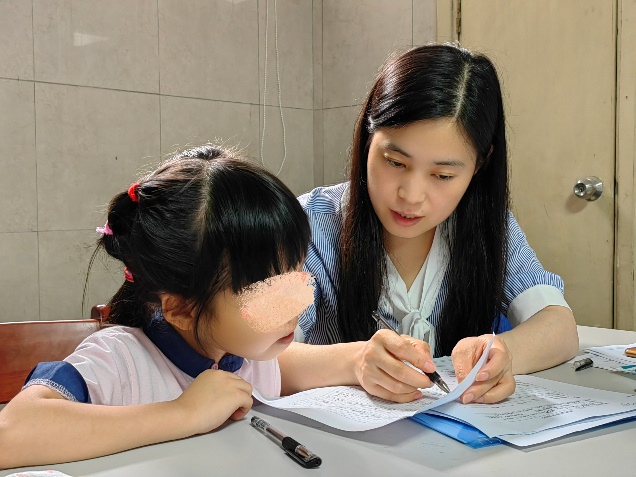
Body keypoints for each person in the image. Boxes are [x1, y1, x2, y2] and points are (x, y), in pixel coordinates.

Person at [0, 145, 364, 470]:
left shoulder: (245, 353)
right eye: (269, 291)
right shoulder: (119, 360)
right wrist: (182, 413)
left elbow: (293, 364)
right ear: (184, 310)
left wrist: (362, 358)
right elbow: (11, 433)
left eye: (298, 274)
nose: (300, 301)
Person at [289, 43, 579, 406]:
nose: (411, 196)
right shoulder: (309, 224)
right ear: (368, 138)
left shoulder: (487, 226)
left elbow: (559, 325)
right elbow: (257, 354)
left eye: (442, 175)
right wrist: (354, 361)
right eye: (395, 162)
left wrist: (501, 354)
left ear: (479, 165)